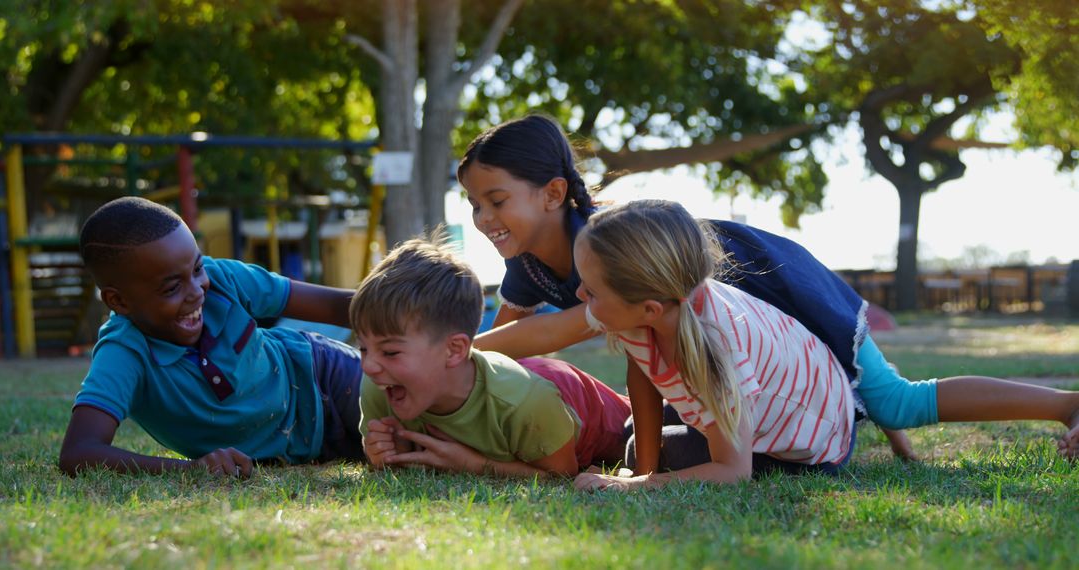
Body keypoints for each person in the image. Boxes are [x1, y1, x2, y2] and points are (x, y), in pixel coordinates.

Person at [460, 114, 918, 459]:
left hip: (762, 279)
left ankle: (874, 412)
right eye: (474, 204)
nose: (483, 218)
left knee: (888, 398)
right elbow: (505, 343)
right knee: (674, 426)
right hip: (721, 341)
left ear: (554, 194)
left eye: (496, 201)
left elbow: (554, 332)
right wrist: (461, 361)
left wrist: (454, 353)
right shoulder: (528, 261)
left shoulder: (607, 244)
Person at [569, 201, 1079, 491]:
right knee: (639, 433)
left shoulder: (718, 346)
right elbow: (640, 372)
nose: (577, 296)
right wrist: (645, 470)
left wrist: (632, 486)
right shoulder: (659, 304)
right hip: (804, 377)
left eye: (591, 290)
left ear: (651, 307)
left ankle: (1066, 404)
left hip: (822, 412)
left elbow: (732, 471)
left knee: (897, 401)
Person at [58, 197, 365, 478]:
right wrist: (192, 469)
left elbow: (336, 306)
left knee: (409, 430)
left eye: (196, 268)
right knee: (395, 453)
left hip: (323, 376)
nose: (196, 291)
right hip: (307, 449)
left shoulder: (224, 280)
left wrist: (404, 312)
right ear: (119, 301)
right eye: (171, 288)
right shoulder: (125, 351)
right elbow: (79, 452)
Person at [351, 232, 631, 478]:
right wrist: (382, 453)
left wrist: (473, 464)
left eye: (389, 351)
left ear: (454, 350)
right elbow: (383, 458)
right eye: (364, 348)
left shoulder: (525, 403)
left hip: (579, 400)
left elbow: (560, 475)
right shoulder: (381, 386)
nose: (370, 365)